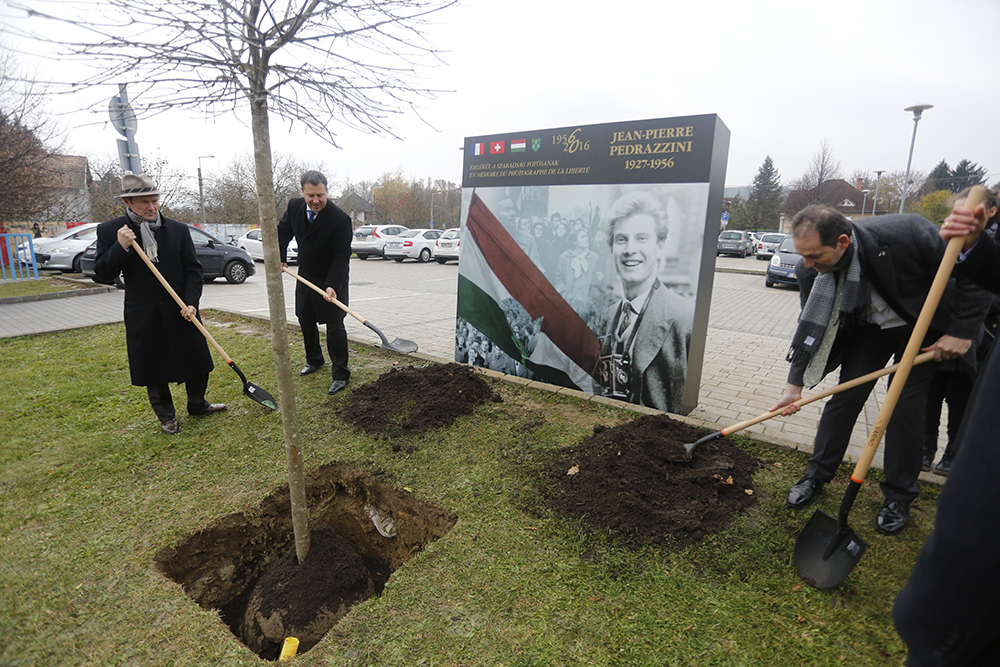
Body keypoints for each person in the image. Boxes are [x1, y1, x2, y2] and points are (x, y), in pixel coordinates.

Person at [769, 205, 989, 535]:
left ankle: (898, 496)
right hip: (867, 327)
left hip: (922, 325)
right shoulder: (809, 270)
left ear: (843, 241)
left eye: (815, 255)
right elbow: (811, 330)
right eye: (805, 257)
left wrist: (960, 331)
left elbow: (975, 272)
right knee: (845, 396)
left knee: (904, 407)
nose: (808, 264)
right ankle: (817, 474)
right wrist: (794, 385)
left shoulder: (908, 233)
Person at [894, 192, 1000, 666]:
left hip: (970, 346)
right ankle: (928, 454)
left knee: (960, 408)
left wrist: (965, 328)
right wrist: (978, 247)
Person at [93, 173, 225, 435]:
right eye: (144, 202)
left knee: (197, 356)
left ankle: (197, 404)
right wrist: (121, 247)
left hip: (181, 307)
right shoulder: (111, 231)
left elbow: (193, 270)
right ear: (128, 203)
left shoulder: (176, 229)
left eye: (154, 201)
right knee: (152, 364)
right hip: (143, 310)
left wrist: (191, 302)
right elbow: (102, 273)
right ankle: (166, 416)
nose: (152, 207)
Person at [922, 189, 999, 477]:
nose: (959, 219)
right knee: (930, 394)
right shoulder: (947, 237)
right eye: (955, 212)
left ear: (989, 211)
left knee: (961, 398)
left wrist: (965, 317)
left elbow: (990, 290)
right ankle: (925, 448)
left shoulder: (990, 244)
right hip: (937, 331)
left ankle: (953, 452)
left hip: (977, 338)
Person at [597, 191, 693, 413]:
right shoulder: (605, 317)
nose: (630, 249)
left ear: (659, 246)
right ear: (612, 248)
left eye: (641, 238)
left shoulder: (684, 319)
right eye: (621, 239)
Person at [278, 170, 353, 395]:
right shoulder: (294, 207)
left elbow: (341, 258)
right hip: (305, 275)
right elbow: (282, 232)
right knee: (305, 318)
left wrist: (332, 286)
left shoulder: (340, 219)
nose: (316, 200)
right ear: (302, 192)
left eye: (320, 195)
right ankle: (315, 360)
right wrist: (280, 257)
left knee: (335, 324)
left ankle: (341, 373)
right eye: (311, 196)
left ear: (326, 191)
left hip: (331, 277)